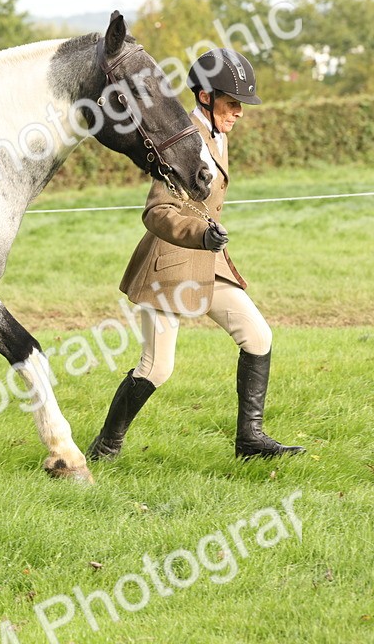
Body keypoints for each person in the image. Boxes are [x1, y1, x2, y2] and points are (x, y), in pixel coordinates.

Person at [87, 48, 305, 461]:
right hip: (169, 267)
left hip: (208, 263)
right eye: (232, 102)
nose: (239, 112)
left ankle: (250, 441)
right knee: (156, 369)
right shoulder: (184, 138)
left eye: (241, 105)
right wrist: (201, 234)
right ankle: (105, 449)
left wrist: (209, 242)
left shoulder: (217, 136)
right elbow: (156, 212)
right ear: (205, 96)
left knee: (258, 336)